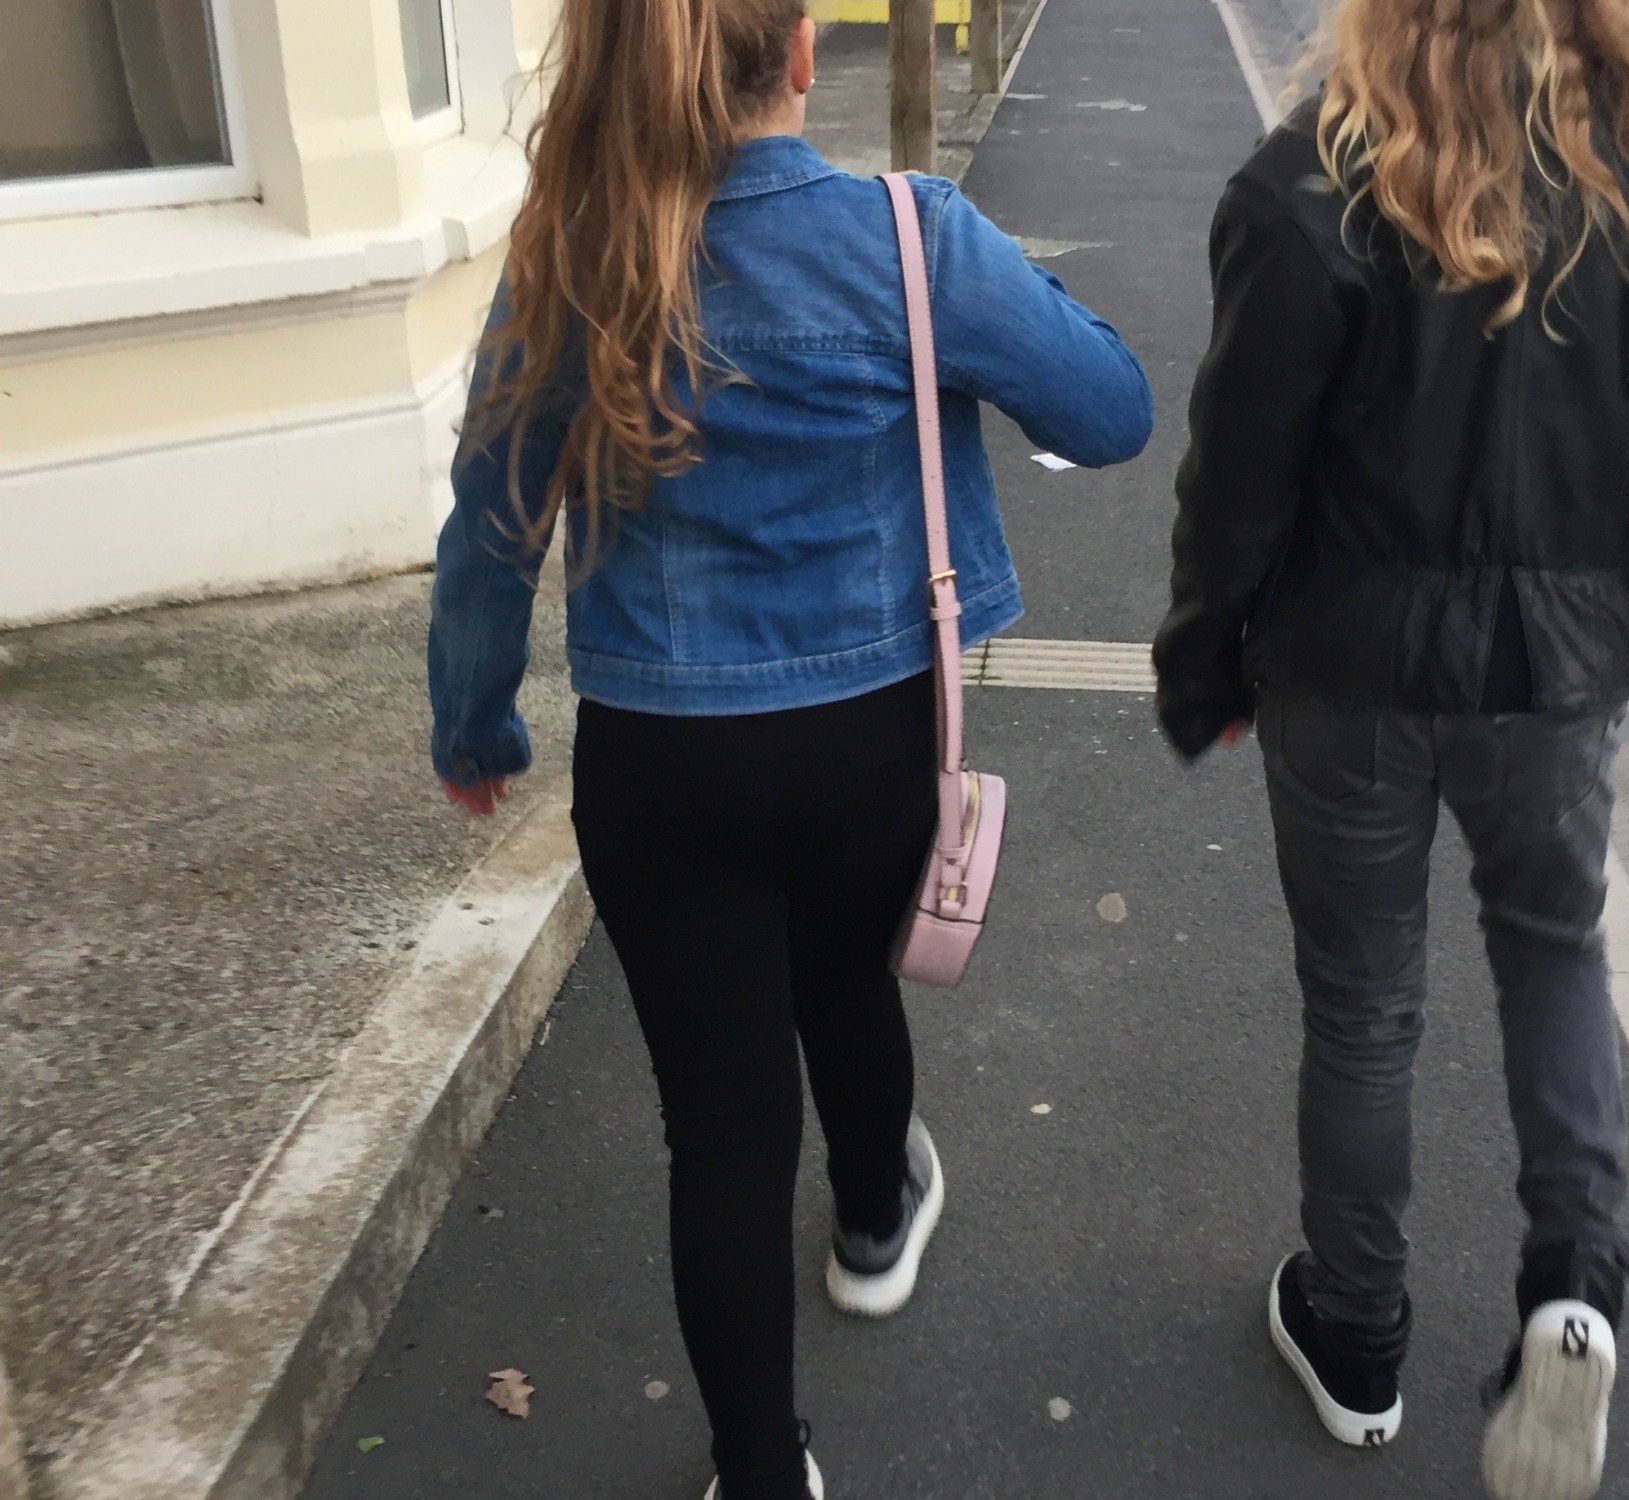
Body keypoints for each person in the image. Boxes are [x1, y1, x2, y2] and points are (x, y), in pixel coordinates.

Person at [427, 2, 1153, 1495]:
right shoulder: (911, 235)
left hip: (660, 761)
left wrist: (476, 719)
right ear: (804, 55)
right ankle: (877, 1219)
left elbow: (493, 520)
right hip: (869, 742)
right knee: (842, 975)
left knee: (722, 1128)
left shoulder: (574, 254)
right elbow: (1112, 411)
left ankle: (761, 1472)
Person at [1154, 2, 1629, 1496]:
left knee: (1364, 1004)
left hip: (1346, 667)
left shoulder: (1311, 181)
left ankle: (1356, 1334)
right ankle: (1574, 1286)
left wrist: (1203, 660)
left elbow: (1240, 477)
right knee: (1554, 956)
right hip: (1558, 675)